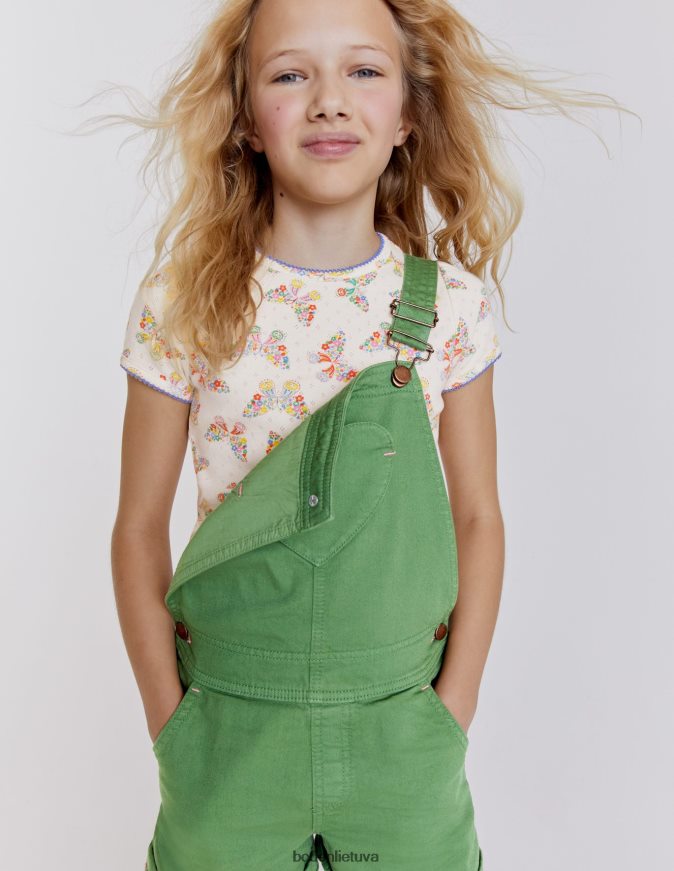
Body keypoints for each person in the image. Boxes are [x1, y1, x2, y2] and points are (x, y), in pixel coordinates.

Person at [108, 1, 629, 868]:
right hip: (230, 727)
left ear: (408, 113)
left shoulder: (450, 306)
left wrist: (451, 710)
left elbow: (479, 517)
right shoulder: (186, 301)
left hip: (400, 728)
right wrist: (173, 721)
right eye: (289, 74)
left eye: (363, 71)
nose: (329, 100)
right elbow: (135, 526)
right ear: (246, 118)